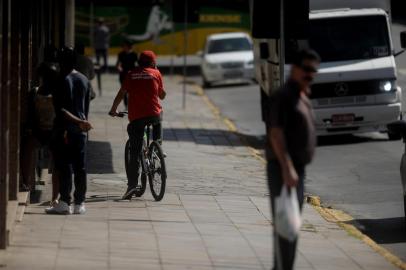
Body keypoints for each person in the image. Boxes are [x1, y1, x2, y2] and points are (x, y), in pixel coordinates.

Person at [266, 49, 320, 270]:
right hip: (283, 170)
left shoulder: (300, 94)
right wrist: (287, 168)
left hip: (295, 170)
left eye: (314, 71)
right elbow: (276, 133)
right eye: (306, 69)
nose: (310, 74)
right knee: (285, 229)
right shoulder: (284, 96)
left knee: (291, 228)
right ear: (294, 68)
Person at [109, 50, 166, 200]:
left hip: (137, 117)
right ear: (153, 62)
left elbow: (122, 93)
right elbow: (162, 96)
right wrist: (157, 74)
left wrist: (113, 109)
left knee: (134, 151)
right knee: (159, 117)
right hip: (154, 115)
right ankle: (158, 148)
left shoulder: (131, 74)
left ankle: (132, 186)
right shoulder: (156, 73)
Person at [45, 47, 93, 215]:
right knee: (80, 168)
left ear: (62, 62)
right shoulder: (84, 80)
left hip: (64, 131)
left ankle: (65, 202)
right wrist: (82, 122)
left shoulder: (60, 80)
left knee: (64, 167)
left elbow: (61, 111)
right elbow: (86, 106)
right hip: (80, 132)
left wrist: (78, 121)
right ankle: (80, 203)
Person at [116, 40, 138, 108]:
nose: (123, 47)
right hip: (123, 74)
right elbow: (118, 64)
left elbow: (138, 64)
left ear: (129, 46)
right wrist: (119, 68)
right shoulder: (121, 54)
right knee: (124, 91)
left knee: (131, 91)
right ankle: (126, 105)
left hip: (132, 75)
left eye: (124, 46)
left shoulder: (134, 54)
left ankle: (132, 104)